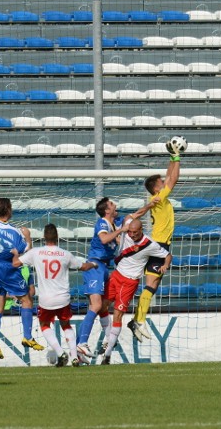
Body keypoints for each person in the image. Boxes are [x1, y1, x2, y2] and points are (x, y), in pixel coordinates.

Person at [75, 197, 154, 359]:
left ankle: (93, 343)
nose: (115, 204)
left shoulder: (115, 222)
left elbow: (135, 215)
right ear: (107, 210)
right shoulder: (103, 223)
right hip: (95, 265)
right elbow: (104, 239)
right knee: (96, 305)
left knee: (102, 306)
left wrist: (150, 205)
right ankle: (81, 343)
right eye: (112, 204)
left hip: (105, 267)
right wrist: (121, 231)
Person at [12, 224, 97, 367]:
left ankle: (60, 353)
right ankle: (74, 357)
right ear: (57, 237)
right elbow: (83, 266)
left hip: (46, 299)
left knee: (44, 325)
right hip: (63, 298)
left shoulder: (36, 253)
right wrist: (94, 264)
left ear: (44, 237)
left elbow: (15, 263)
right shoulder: (65, 254)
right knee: (66, 325)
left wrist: (15, 253)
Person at [0, 198, 43, 360]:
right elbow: (26, 251)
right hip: (8, 267)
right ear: (8, 211)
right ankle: (27, 336)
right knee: (27, 300)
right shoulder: (15, 232)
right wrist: (28, 237)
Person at [129, 141, 181, 342]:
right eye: (161, 182)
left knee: (154, 283)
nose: (164, 182)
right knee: (151, 283)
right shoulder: (159, 197)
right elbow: (174, 178)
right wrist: (177, 158)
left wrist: (171, 156)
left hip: (159, 244)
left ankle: (137, 319)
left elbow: (169, 177)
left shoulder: (160, 197)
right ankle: (138, 320)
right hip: (158, 245)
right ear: (156, 188)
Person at [101, 219, 172, 365]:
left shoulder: (149, 244)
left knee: (117, 315)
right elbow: (130, 216)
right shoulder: (126, 233)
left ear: (141, 230)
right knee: (101, 306)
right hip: (116, 275)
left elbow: (167, 255)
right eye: (130, 232)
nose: (131, 235)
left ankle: (107, 355)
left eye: (135, 232)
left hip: (129, 282)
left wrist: (165, 265)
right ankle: (109, 338)